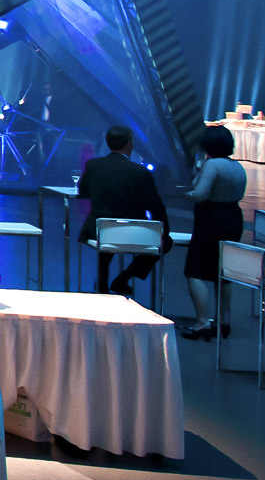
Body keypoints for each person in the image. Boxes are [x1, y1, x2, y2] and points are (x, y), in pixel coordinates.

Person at [78, 125, 171, 298]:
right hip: (133, 232)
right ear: (129, 144)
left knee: (107, 240)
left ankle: (103, 285)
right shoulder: (140, 172)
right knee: (166, 243)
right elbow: (155, 206)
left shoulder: (93, 165)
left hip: (99, 230)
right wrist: (165, 232)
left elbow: (82, 192)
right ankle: (124, 277)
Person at [180, 125, 244, 341]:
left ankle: (202, 322)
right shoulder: (237, 166)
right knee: (224, 272)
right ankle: (224, 320)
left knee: (195, 270)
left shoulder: (212, 165)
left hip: (211, 220)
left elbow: (201, 194)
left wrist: (184, 193)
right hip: (233, 217)